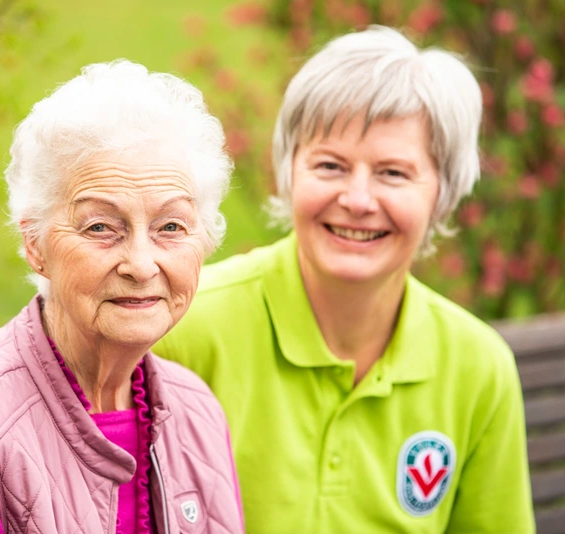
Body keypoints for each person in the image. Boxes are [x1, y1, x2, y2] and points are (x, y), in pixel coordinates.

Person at [154, 26, 534, 533]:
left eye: (393, 173)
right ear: (289, 172)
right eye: (330, 165)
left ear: (443, 192)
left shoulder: (478, 367)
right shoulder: (186, 326)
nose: (358, 199)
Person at [0, 60, 244, 534]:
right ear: (35, 244)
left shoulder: (195, 408)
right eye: (101, 227)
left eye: (170, 227)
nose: (141, 263)